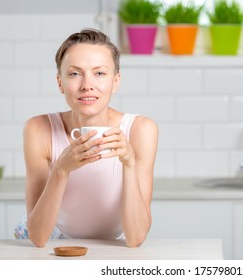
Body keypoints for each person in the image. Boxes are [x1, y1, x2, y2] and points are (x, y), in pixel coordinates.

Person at [15, 28, 158, 248]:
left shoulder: (141, 130)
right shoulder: (38, 129)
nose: (86, 85)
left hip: (116, 244)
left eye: (99, 73)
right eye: (74, 73)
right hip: (56, 240)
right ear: (60, 82)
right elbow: (38, 236)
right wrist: (61, 169)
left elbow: (136, 237)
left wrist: (129, 163)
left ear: (115, 81)